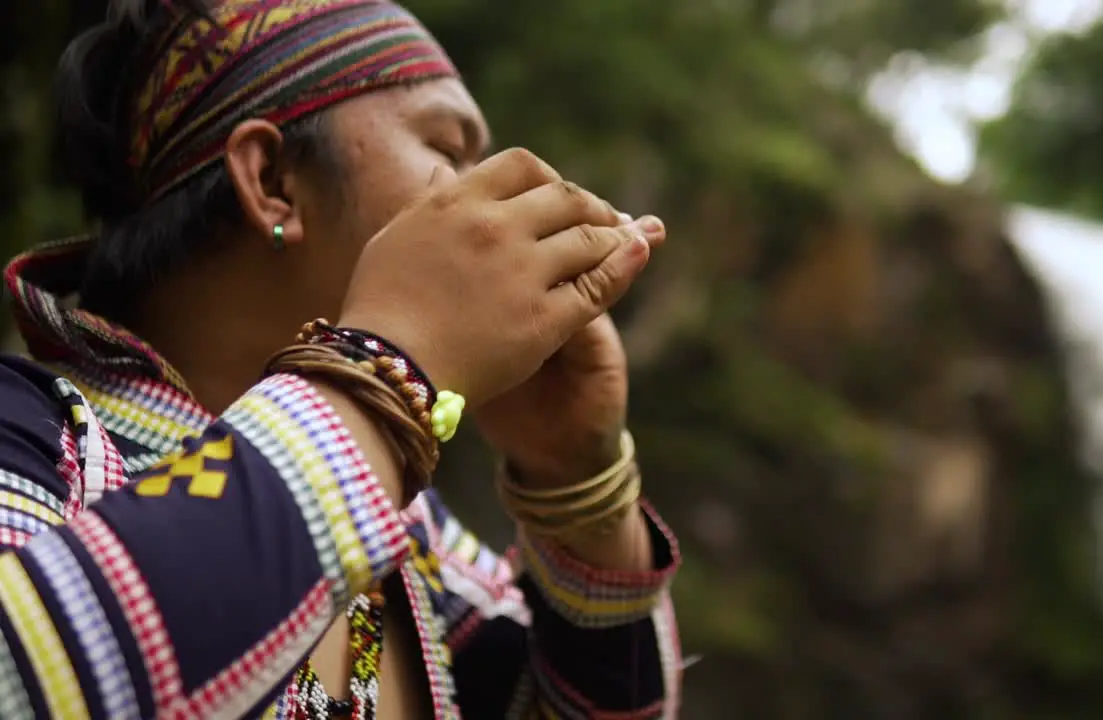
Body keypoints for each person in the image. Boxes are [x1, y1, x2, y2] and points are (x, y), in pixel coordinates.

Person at [0, 0, 683, 717]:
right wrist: (386, 367)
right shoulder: (33, 440)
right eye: (448, 151)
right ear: (274, 182)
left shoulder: (414, 536)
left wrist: (580, 485)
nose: (487, 205)